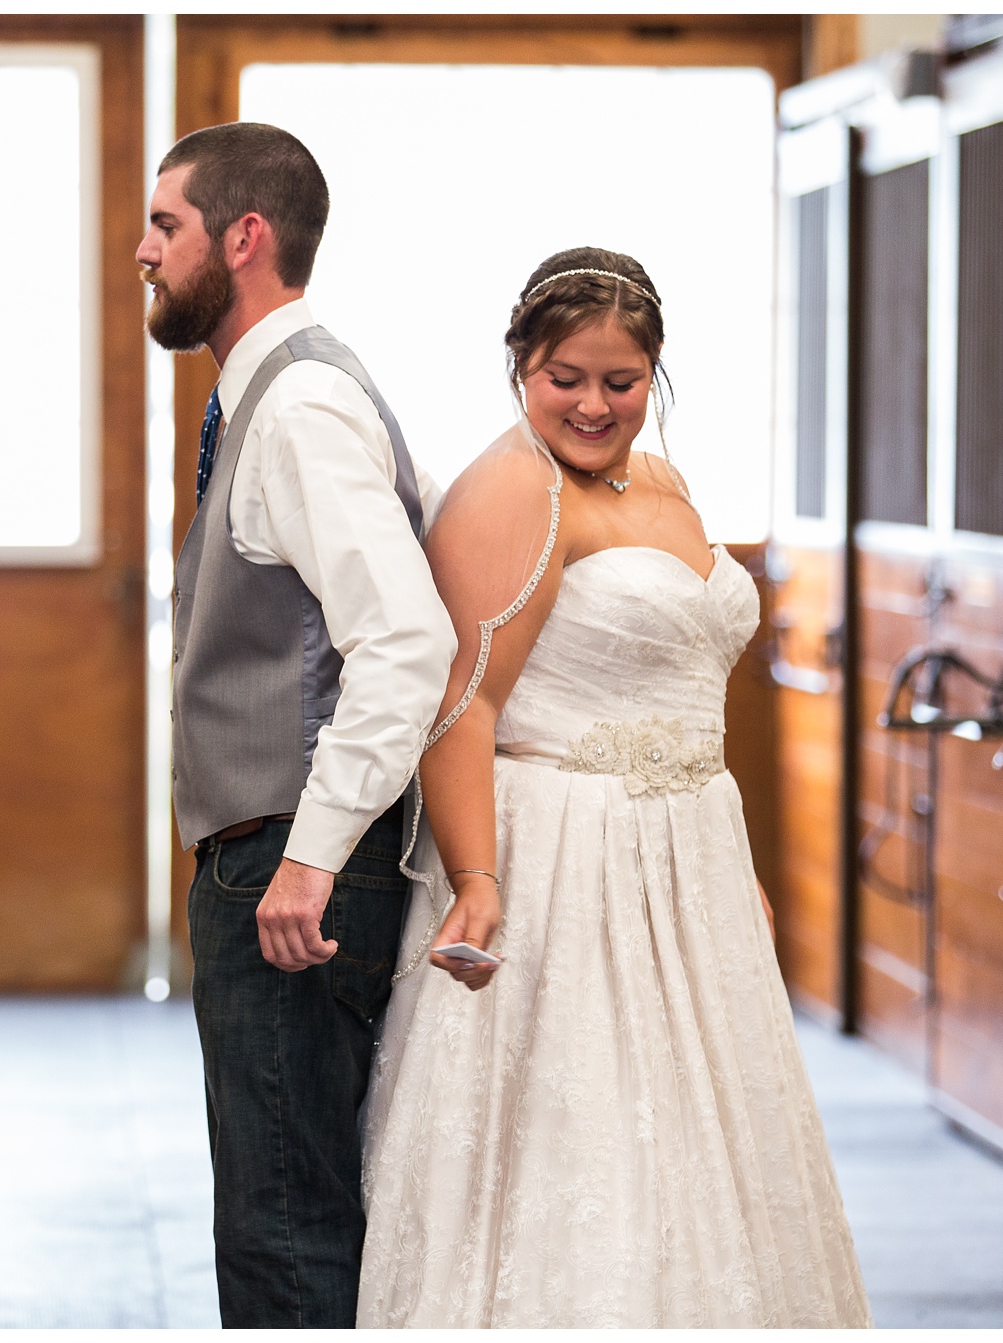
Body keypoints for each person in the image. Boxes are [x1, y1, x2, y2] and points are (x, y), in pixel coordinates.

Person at [356, 247, 872, 1327]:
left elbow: (687, 690)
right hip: (567, 855)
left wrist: (730, 865)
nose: (593, 404)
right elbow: (462, 704)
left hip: (688, 848)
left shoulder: (662, 478)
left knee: (703, 1134)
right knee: (591, 1134)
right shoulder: (509, 489)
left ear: (653, 377)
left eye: (619, 381)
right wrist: (476, 875)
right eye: (565, 378)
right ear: (518, 367)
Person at [136, 122, 457, 1328]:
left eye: (164, 224)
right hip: (278, 856)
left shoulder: (300, 403)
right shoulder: (267, 393)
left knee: (285, 1229)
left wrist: (310, 856)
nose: (142, 250)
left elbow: (407, 640)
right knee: (280, 1211)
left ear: (243, 236)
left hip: (295, 869)